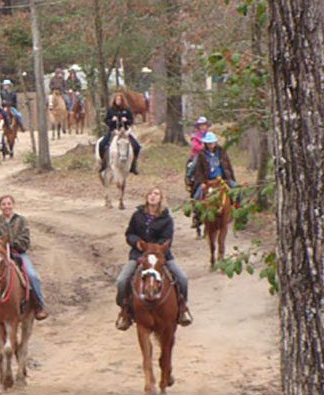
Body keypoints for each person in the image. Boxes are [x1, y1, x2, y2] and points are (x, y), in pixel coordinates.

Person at [115, 187, 193, 330]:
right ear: (146, 197)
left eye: (156, 194)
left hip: (160, 256)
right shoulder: (137, 215)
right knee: (121, 280)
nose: (152, 196)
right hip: (139, 255)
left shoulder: (166, 219)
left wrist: (154, 250)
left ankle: (182, 308)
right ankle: (125, 310)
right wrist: (136, 242)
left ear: (160, 198)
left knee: (183, 279)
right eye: (150, 193)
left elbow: (167, 239)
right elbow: (129, 234)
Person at [0, 195, 48, 321]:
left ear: (13, 205)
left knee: (32, 275)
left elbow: (25, 239)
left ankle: (39, 305)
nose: (6, 206)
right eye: (4, 204)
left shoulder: (21, 221)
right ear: (0, 207)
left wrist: (13, 244)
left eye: (9, 204)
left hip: (17, 253)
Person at [98, 92, 141, 174]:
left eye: (120, 99)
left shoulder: (126, 110)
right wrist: (112, 120)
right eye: (117, 99)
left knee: (137, 146)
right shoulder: (111, 110)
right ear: (114, 100)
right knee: (102, 144)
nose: (118, 101)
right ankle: (103, 164)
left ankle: (133, 165)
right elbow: (106, 120)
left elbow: (131, 121)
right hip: (114, 131)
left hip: (124, 131)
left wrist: (126, 121)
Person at [192, 131, 237, 200]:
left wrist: (229, 178)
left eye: (212, 142)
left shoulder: (222, 152)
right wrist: (201, 182)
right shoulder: (201, 154)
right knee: (196, 197)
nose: (211, 144)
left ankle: (239, 206)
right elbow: (199, 170)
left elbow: (228, 167)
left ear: (215, 142)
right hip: (208, 181)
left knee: (238, 191)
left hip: (223, 180)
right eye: (209, 143)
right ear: (206, 143)